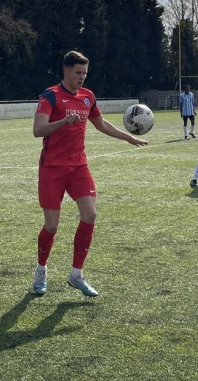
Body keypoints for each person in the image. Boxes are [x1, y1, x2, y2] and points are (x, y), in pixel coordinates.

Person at [31, 51, 148, 298]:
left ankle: (76, 275)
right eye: (78, 73)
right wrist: (62, 122)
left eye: (84, 73)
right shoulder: (50, 96)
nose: (82, 77)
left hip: (78, 167)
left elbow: (101, 124)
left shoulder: (88, 97)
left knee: (90, 214)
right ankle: (41, 270)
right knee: (51, 226)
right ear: (66, 71)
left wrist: (128, 138)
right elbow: (38, 130)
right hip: (52, 169)